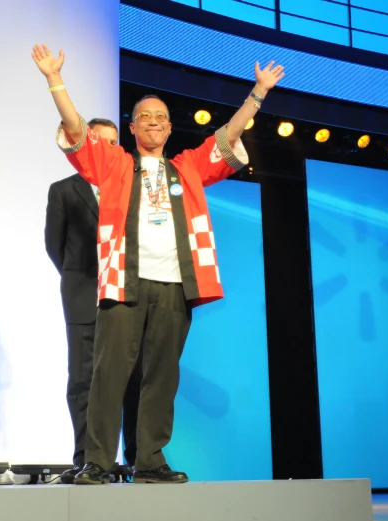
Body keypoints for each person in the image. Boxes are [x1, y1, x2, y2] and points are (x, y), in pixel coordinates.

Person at [31, 44, 284, 484]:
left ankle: (150, 460)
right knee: (108, 376)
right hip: (124, 284)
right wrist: (55, 80)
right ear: (131, 128)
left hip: (174, 285)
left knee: (161, 377)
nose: (153, 122)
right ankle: (97, 461)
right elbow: (75, 129)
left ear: (169, 128)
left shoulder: (186, 167)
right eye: (144, 116)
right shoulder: (114, 165)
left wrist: (258, 93)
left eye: (161, 117)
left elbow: (228, 136)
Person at [44, 118, 141, 484]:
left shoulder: (132, 188)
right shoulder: (64, 189)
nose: (106, 147)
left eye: (113, 142)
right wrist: (82, 278)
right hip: (84, 293)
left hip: (128, 295)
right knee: (84, 380)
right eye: (98, 140)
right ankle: (88, 459)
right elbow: (55, 246)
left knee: (132, 378)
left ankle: (135, 458)